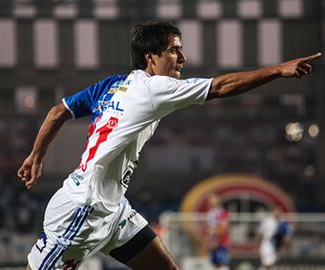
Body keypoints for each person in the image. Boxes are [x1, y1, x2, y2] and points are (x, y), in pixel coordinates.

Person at [17, 20, 320, 270]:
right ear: (151, 58)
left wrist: (35, 157)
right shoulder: (155, 87)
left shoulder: (111, 85)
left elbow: (58, 112)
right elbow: (220, 86)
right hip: (83, 209)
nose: (183, 59)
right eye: (174, 51)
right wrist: (278, 70)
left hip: (113, 211)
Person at [203, 194, 230, 270]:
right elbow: (207, 230)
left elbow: (224, 229)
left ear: (218, 200)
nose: (210, 200)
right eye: (209, 199)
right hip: (212, 245)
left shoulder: (222, 213)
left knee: (222, 264)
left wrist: (217, 242)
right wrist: (207, 242)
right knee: (215, 265)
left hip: (221, 244)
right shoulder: (209, 213)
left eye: (212, 198)